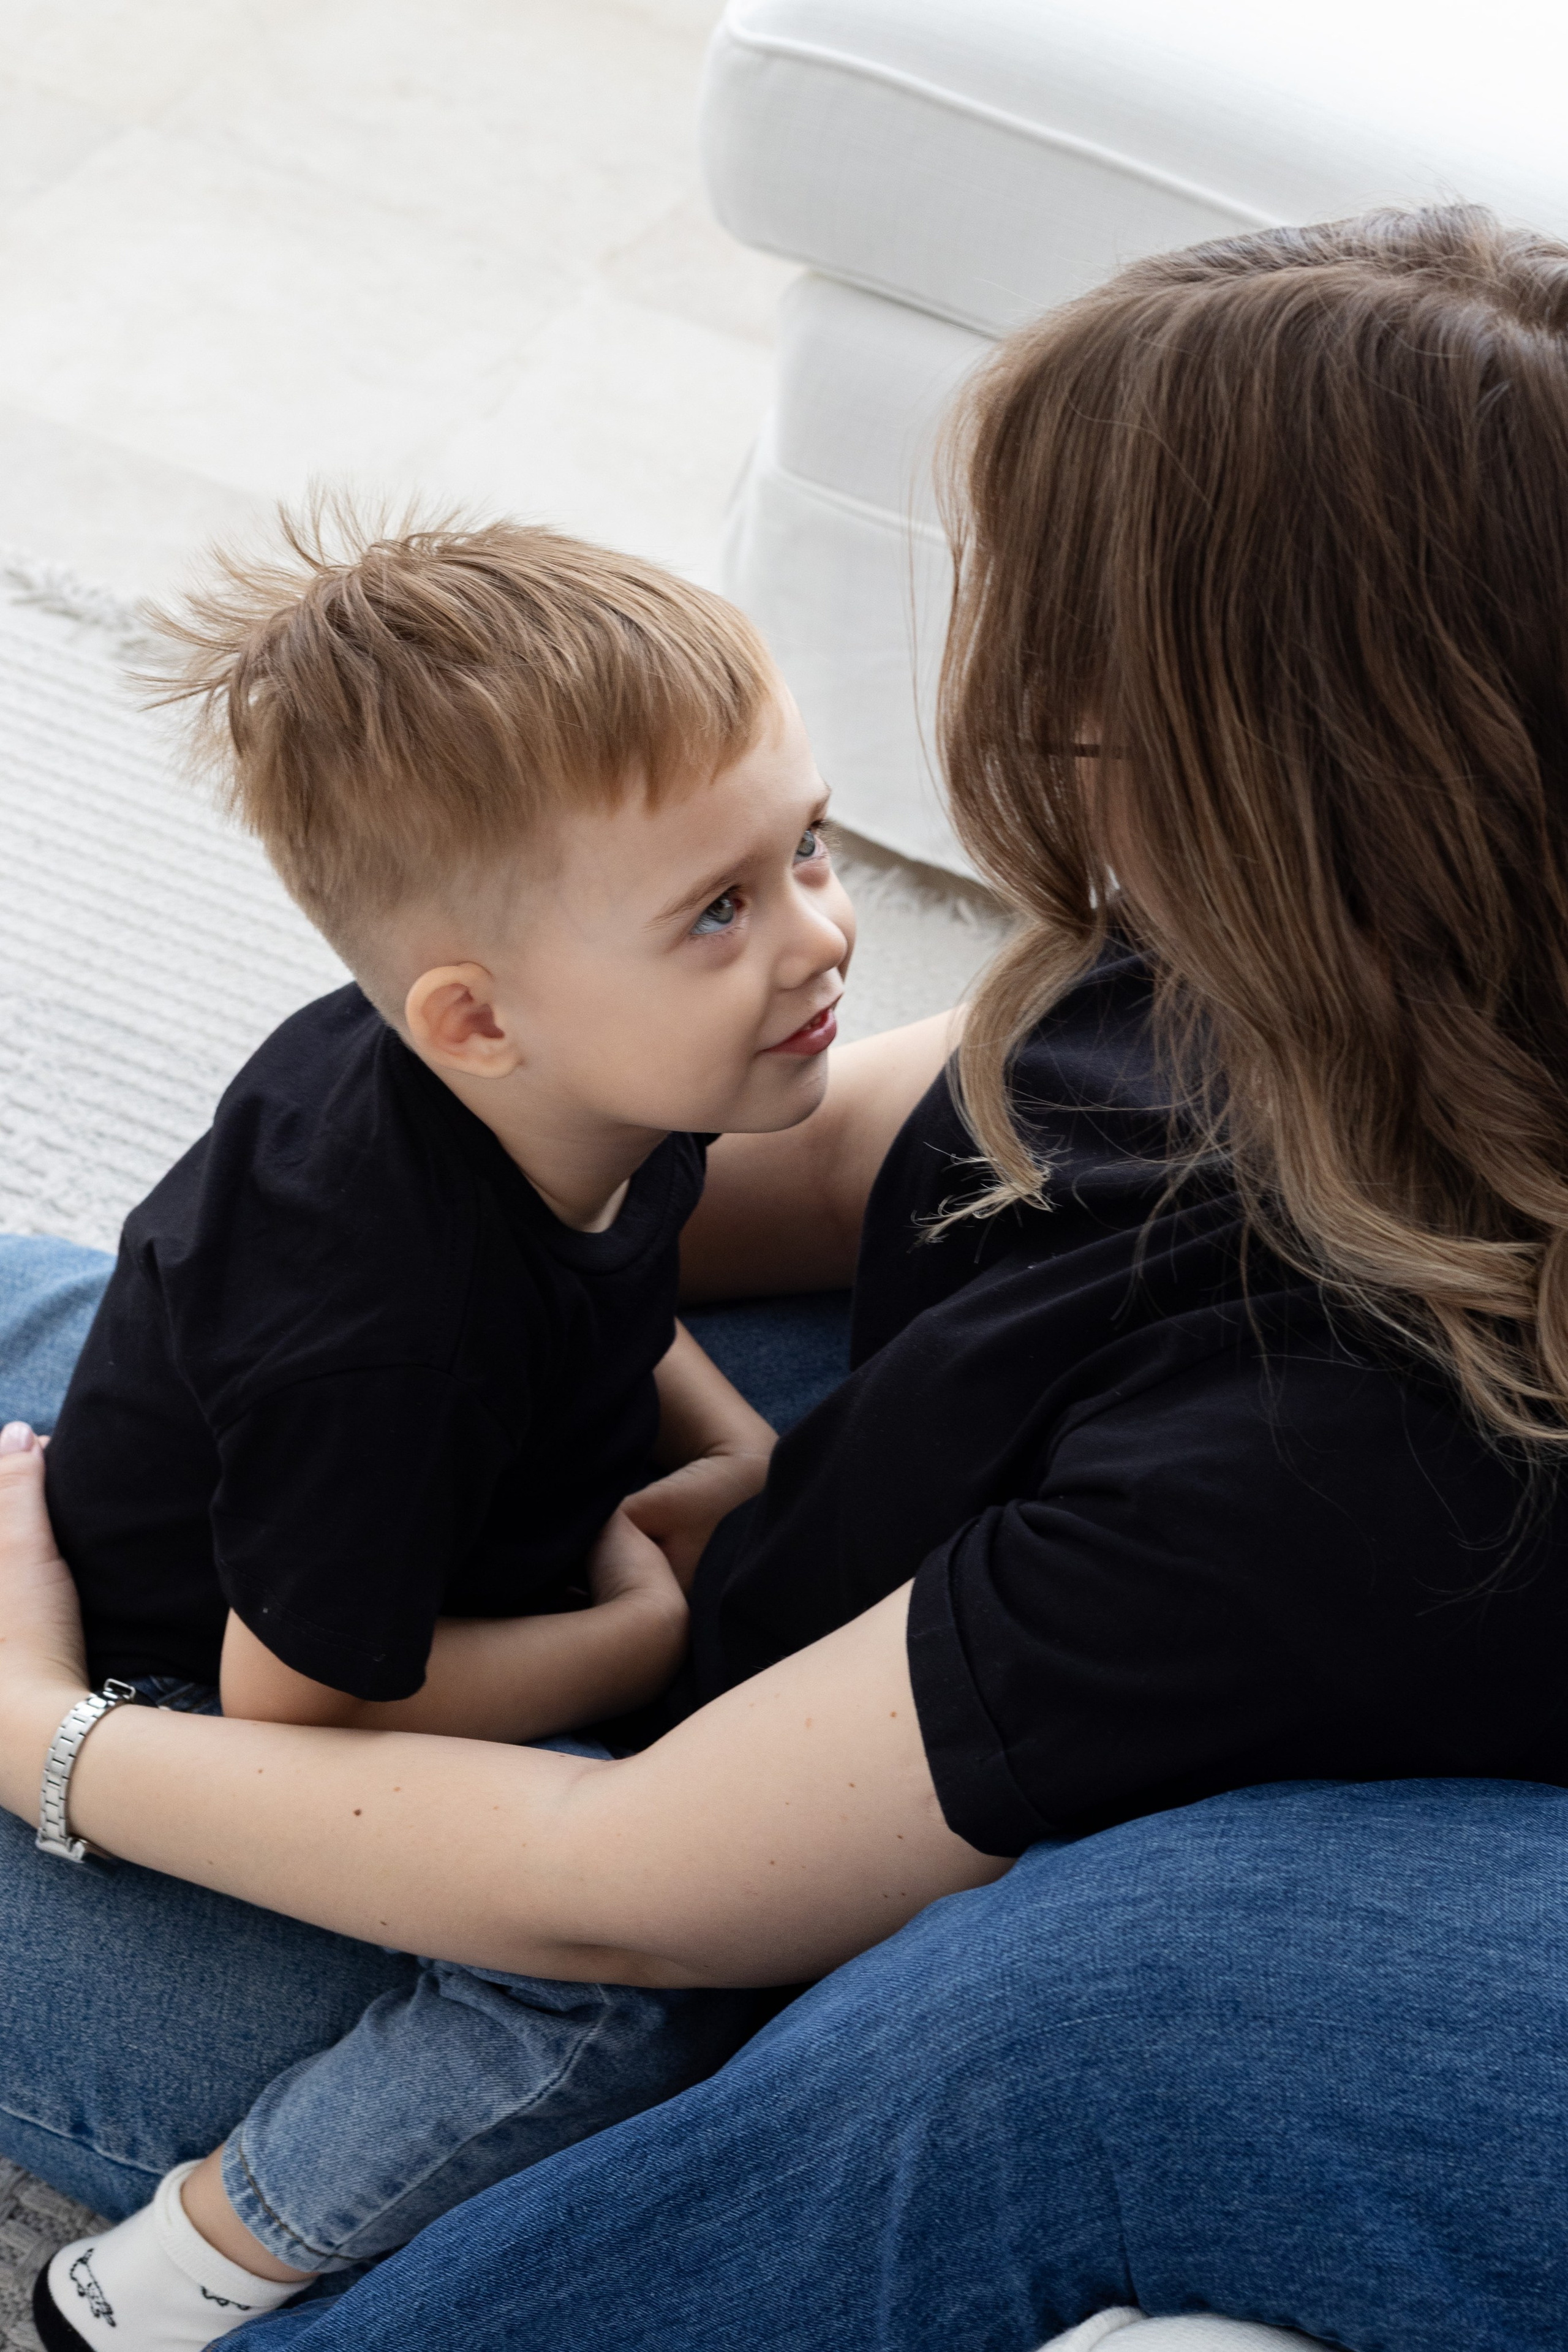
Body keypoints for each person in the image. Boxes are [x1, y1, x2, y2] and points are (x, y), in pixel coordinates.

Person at [2, 201, 1567, 2349]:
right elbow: (828, 1152)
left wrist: (51, 1736)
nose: (1040, 712)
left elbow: (624, 1893)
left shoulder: (1329, 1467)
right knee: (125, 1371)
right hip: (678, 1605)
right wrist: (384, 1253)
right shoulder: (1322, 953)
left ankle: (198, 2261)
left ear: (1288, 763)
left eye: (1081, 678)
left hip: (682, 1874)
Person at [29, 518, 862, 2347]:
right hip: (217, 1674)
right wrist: (639, 1627)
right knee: (623, 2000)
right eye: (720, 911)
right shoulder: (380, 1336)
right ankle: (203, 2259)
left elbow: (615, 1282)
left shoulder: (601, 1079)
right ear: (476, 1019)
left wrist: (744, 1449)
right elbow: (291, 1707)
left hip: (337, 1482)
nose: (820, 937)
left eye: (803, 847)